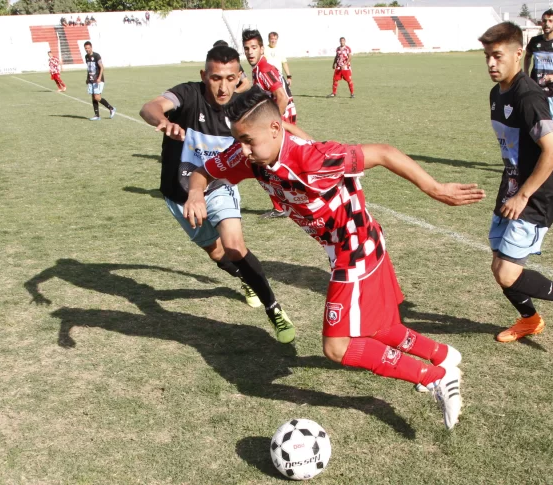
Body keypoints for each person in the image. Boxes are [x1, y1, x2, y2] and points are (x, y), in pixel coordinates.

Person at [184, 86, 487, 429]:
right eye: (237, 139)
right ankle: (444, 356)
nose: (241, 150)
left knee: (336, 347)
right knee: (381, 328)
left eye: (247, 141)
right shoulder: (251, 155)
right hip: (346, 247)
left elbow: (384, 152)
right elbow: (204, 171)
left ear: (274, 129)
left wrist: (435, 188)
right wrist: (196, 193)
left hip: (355, 246)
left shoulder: (312, 159)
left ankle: (434, 377)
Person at [138, 45, 297, 344]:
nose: (222, 86)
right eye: (215, 78)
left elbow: (282, 127)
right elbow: (151, 106)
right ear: (204, 76)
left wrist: (314, 146)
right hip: (179, 194)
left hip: (219, 186)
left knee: (234, 245)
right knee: (218, 253)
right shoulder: (187, 95)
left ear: (238, 77)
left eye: (229, 78)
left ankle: (273, 307)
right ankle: (244, 279)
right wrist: (162, 120)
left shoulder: (242, 104)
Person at [479, 22, 553, 345]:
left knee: (507, 272)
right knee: (499, 264)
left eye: (497, 56)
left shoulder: (528, 96)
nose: (490, 63)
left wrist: (524, 195)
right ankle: (530, 320)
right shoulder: (497, 93)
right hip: (512, 187)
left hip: (536, 195)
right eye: (487, 56)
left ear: (518, 54)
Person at [242, 28, 297, 219]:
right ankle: (285, 204)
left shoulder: (264, 69)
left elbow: (282, 97)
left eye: (254, 47)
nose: (250, 52)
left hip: (281, 119)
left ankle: (283, 206)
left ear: (262, 49)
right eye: (247, 48)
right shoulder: (258, 69)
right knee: (271, 163)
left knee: (264, 164)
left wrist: (275, 124)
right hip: (278, 119)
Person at [84, 41, 116, 121]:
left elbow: (101, 67)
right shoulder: (86, 57)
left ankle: (111, 108)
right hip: (91, 80)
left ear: (91, 47)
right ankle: (97, 115)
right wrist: (87, 78)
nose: (87, 49)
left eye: (88, 48)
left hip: (98, 80)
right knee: (93, 97)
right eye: (86, 48)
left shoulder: (96, 56)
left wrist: (99, 77)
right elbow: (89, 68)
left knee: (97, 97)